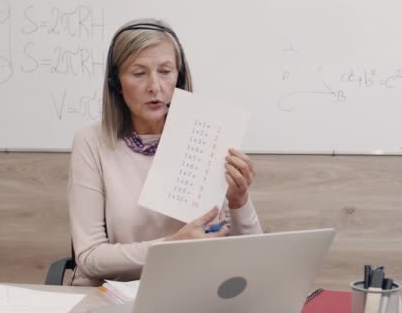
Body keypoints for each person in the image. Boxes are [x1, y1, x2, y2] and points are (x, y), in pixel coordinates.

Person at [67, 18, 263, 286]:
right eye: (138, 73)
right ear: (115, 82)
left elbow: (254, 258)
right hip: (113, 294)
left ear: (179, 78)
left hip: (189, 290)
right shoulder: (91, 142)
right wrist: (172, 245)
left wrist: (239, 200)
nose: (155, 87)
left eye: (166, 71)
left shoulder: (206, 135)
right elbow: (89, 257)